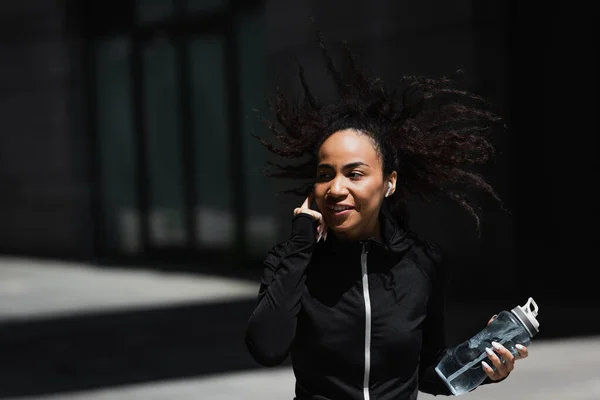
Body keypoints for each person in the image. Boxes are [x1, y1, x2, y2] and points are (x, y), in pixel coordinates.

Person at [244, 36, 528, 400]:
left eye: (355, 174)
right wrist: (301, 245)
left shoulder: (422, 261)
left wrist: (486, 366)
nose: (335, 188)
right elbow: (266, 348)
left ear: (389, 183)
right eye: (324, 174)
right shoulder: (291, 260)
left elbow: (428, 371)